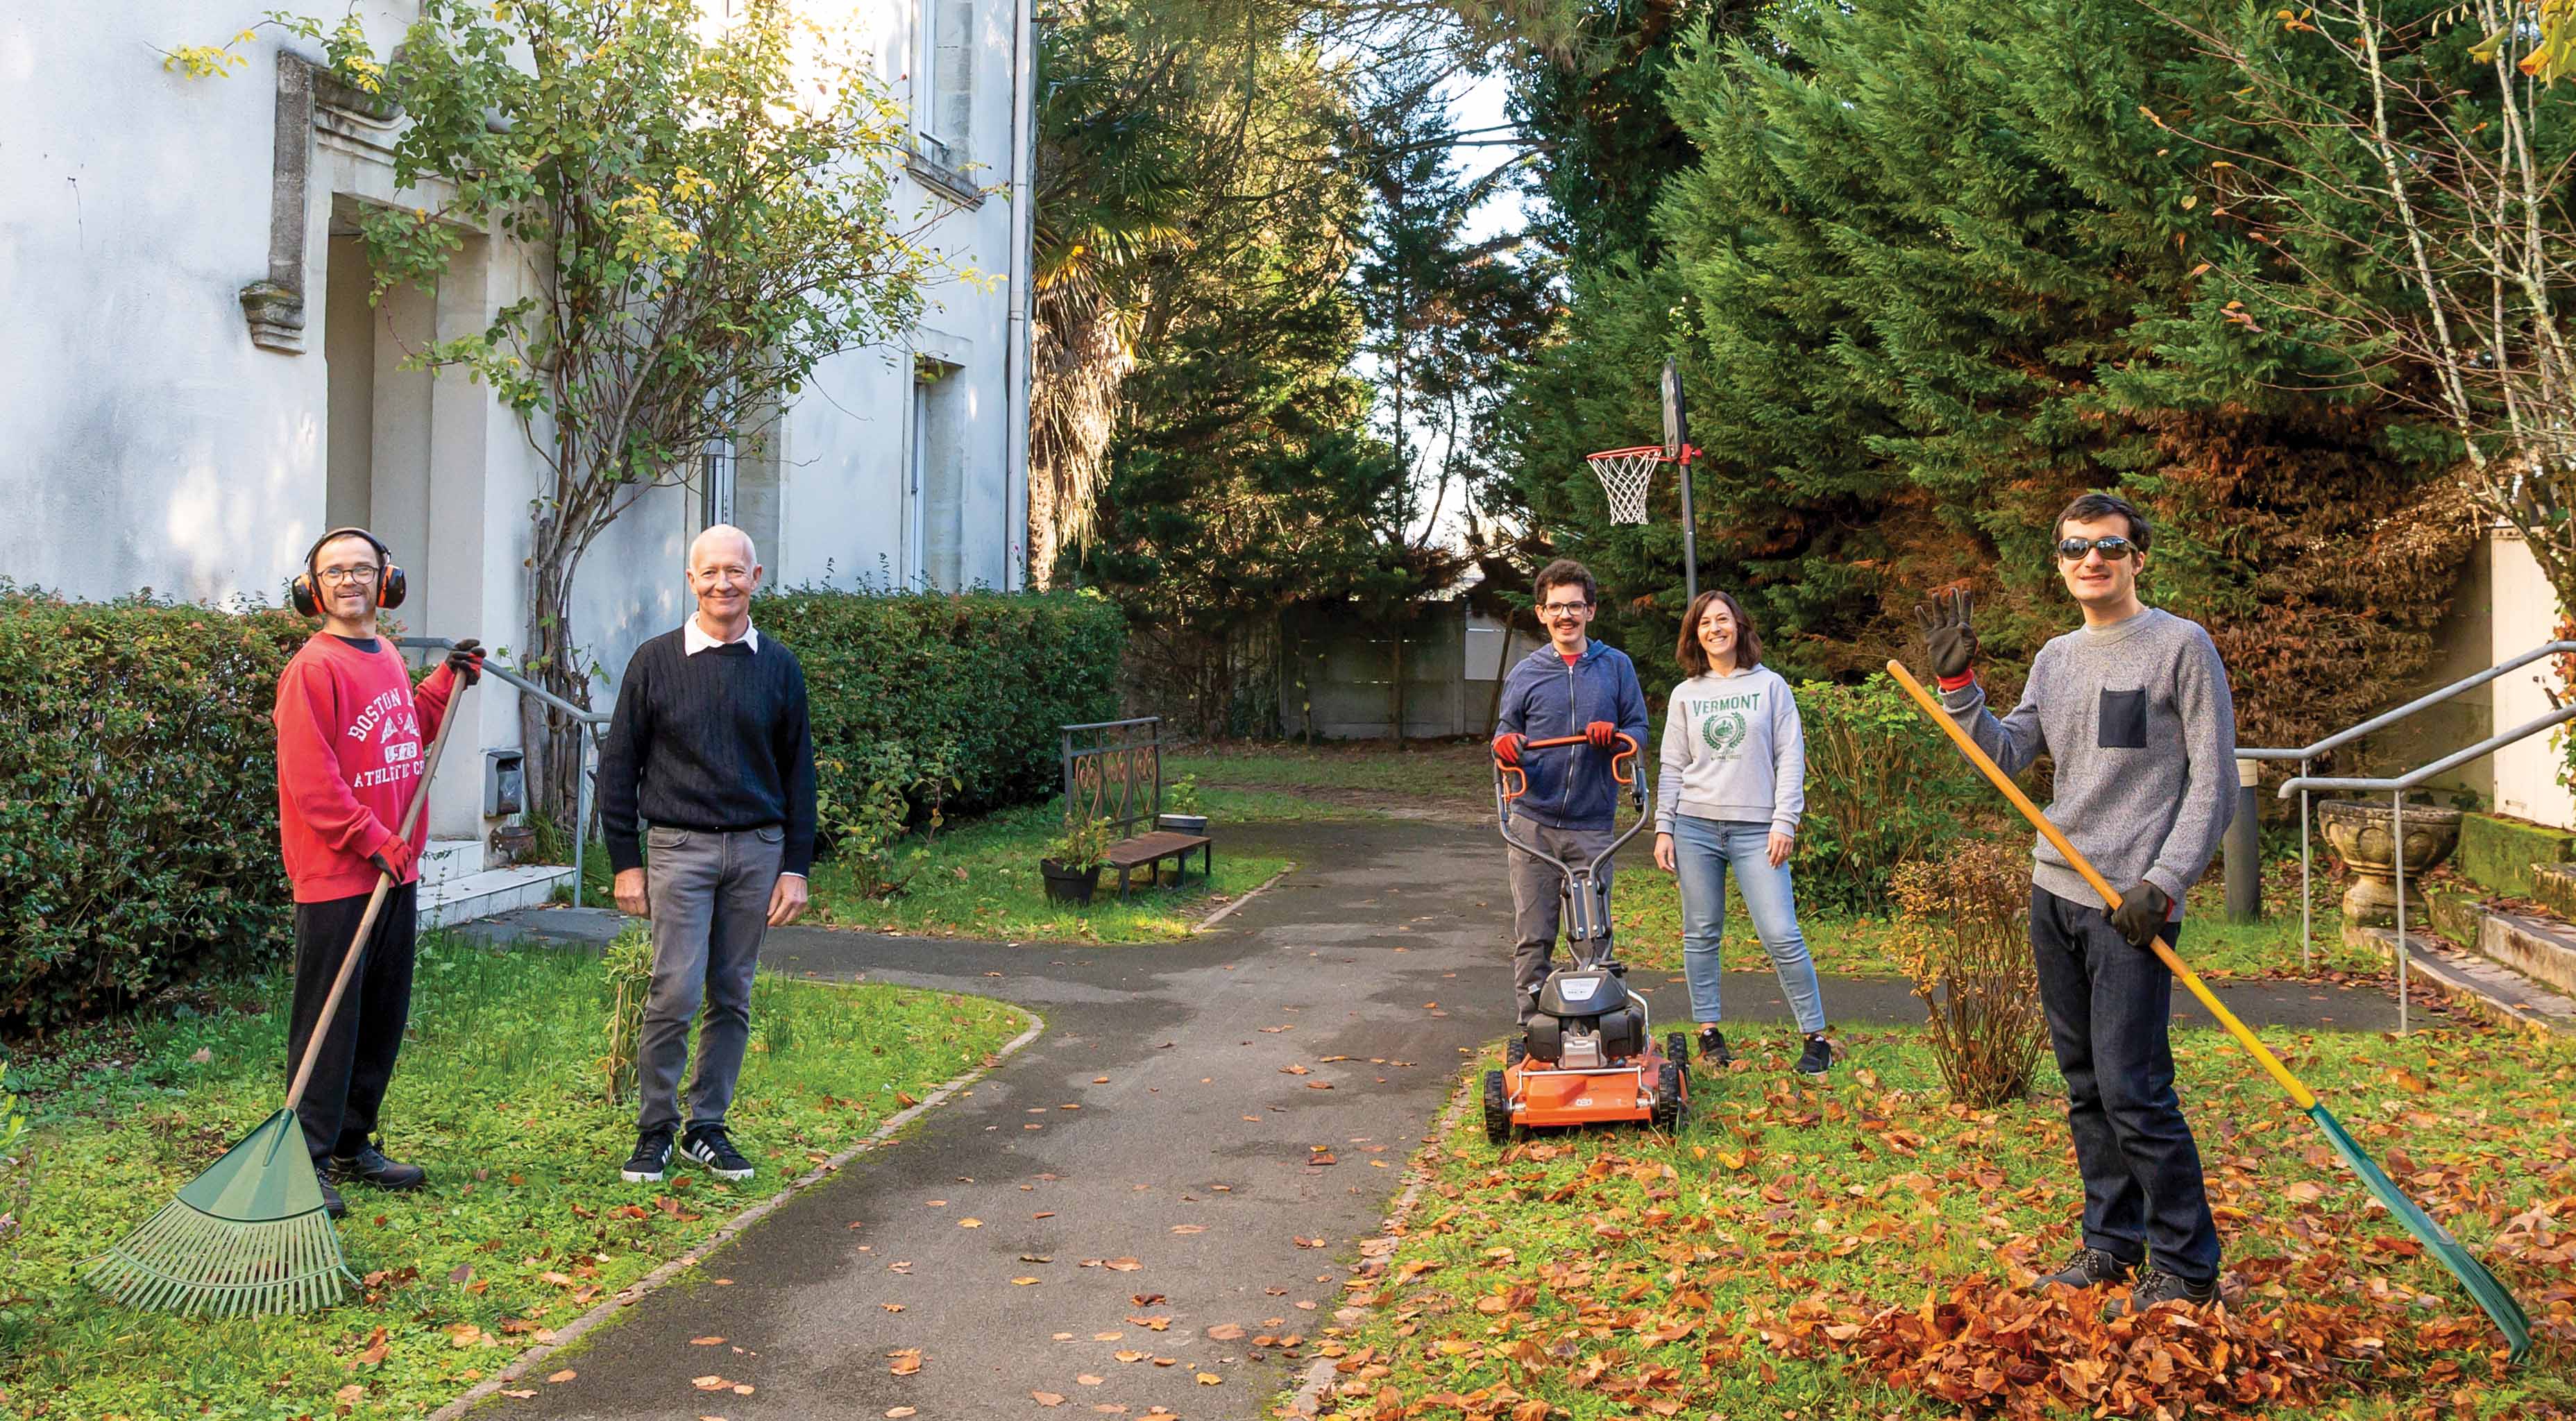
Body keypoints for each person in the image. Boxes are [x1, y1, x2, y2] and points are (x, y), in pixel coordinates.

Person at [1915, 491, 2236, 1316]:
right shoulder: (2056, 658)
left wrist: (2163, 882)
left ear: (2139, 557)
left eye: (2107, 545)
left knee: (2135, 1087)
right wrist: (1957, 685)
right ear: (2058, 563)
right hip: (2054, 891)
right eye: (2072, 548)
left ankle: (2187, 1263)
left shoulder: (2179, 647)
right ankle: (2110, 1241)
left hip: (2130, 900)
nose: (2089, 559)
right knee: (2086, 1082)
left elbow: (2215, 781)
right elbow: (2005, 755)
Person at [274, 526, 484, 1218]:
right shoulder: (313, 668)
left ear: (384, 581)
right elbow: (314, 782)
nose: (349, 582)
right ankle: (303, 1158)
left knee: (382, 1014)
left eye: (362, 570)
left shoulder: (384, 652)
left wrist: (445, 681)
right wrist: (371, 839)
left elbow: (400, 728)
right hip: (340, 874)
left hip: (394, 871)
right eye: (334, 572)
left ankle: (351, 1141)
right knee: (329, 1020)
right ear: (313, 588)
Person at [600, 524, 817, 1186]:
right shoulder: (655, 662)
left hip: (758, 850)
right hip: (679, 849)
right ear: (691, 582)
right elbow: (619, 767)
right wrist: (624, 862)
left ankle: (707, 1126)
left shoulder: (778, 666)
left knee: (733, 992)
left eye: (735, 570)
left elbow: (798, 773)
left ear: (756, 578)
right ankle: (656, 1129)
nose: (723, 582)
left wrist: (796, 867)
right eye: (709, 572)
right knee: (673, 990)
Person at [1652, 590, 1831, 1075]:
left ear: (1739, 626)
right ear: (1695, 635)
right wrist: (1664, 827)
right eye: (1705, 622)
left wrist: (1784, 820)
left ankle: (1815, 1036)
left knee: (1780, 932)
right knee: (1702, 932)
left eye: (1723, 619)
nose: (1715, 628)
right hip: (1695, 827)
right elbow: (1672, 765)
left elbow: (1790, 756)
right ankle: (1709, 1032)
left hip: (1757, 830)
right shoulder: (1685, 694)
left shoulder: (1771, 686)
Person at [1491, 559, 1652, 1055]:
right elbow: (1503, 732)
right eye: (1556, 607)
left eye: (1575, 606)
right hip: (1534, 822)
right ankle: (1532, 1032)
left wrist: (1618, 738)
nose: (1566, 615)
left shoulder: (1616, 666)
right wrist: (1506, 747)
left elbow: (1639, 731)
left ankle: (1601, 1028)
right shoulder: (1526, 672)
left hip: (1592, 824)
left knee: (1593, 933)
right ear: (1542, 614)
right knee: (1534, 935)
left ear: (1591, 610)